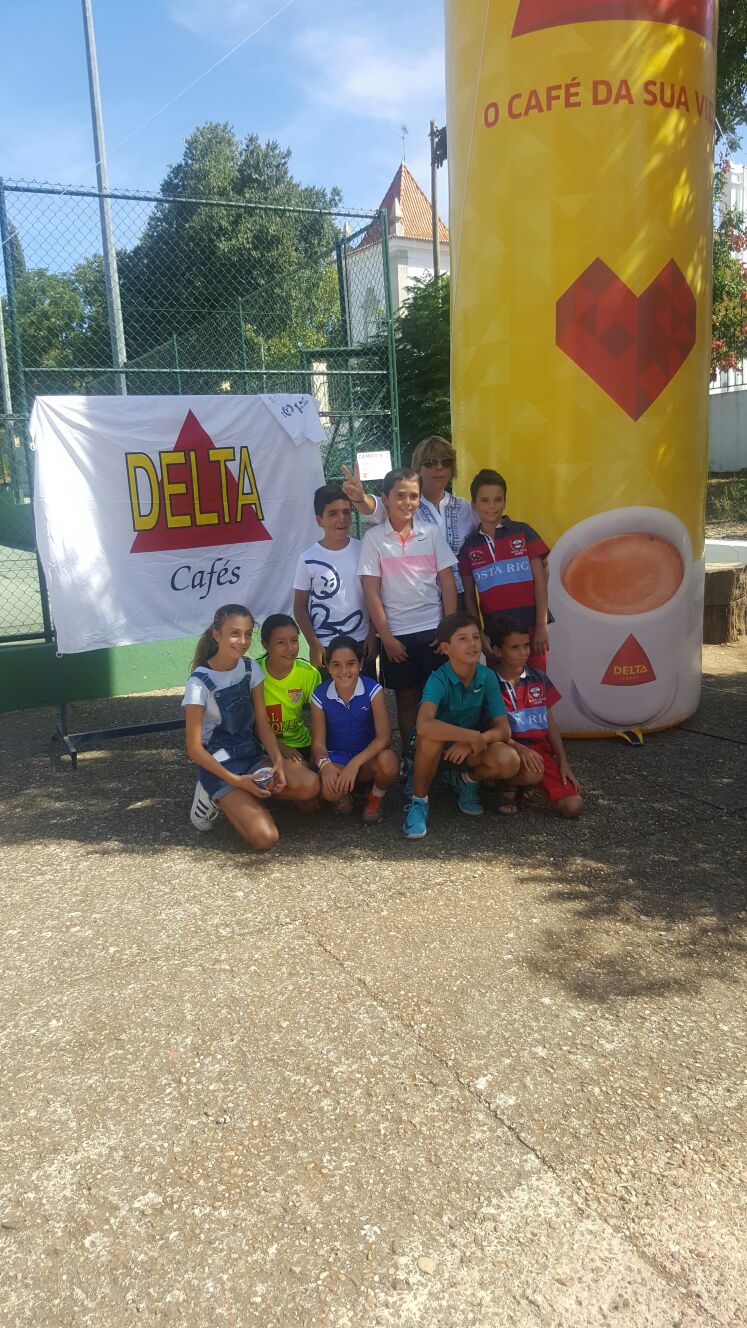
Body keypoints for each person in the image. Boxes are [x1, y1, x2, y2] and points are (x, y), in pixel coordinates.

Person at [183, 604, 319, 852]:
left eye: (247, 634)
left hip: (251, 755)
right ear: (216, 634)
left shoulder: (250, 668)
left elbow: (262, 724)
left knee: (310, 785)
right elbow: (193, 749)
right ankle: (214, 793)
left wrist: (277, 762)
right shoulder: (198, 682)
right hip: (219, 764)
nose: (243, 641)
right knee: (266, 839)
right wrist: (237, 781)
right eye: (234, 633)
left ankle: (244, 796)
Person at [358, 467, 458, 746]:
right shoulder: (374, 539)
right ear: (385, 498)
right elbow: (371, 591)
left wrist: (448, 632)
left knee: (437, 696)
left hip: (434, 632)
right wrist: (386, 637)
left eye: (413, 496)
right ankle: (410, 755)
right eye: (400, 495)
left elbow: (447, 583)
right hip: (397, 635)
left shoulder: (431, 533)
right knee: (406, 697)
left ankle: (442, 757)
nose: (407, 502)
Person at [402, 611, 521, 839]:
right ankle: (418, 802)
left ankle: (465, 780)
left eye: (475, 637)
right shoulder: (438, 678)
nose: (473, 644)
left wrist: (476, 740)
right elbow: (424, 725)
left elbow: (504, 729)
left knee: (509, 760)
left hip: (466, 749)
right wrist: (470, 736)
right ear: (446, 648)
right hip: (435, 749)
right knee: (430, 738)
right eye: (463, 638)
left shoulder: (487, 677)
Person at [341, 435, 478, 604]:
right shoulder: (405, 506)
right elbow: (373, 507)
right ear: (418, 468)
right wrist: (360, 498)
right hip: (420, 598)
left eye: (446, 462)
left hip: (461, 596)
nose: (439, 467)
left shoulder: (465, 508)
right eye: (430, 462)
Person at [487, 614, 583, 819]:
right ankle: (509, 785)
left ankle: (524, 783)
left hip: (539, 751)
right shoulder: (488, 682)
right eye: (514, 647)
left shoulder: (538, 677)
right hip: (507, 747)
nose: (523, 652)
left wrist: (563, 762)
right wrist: (520, 750)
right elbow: (491, 730)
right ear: (497, 651)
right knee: (529, 771)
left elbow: (550, 722)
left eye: (526, 645)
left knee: (573, 807)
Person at [458, 468, 551, 669]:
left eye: (497, 500)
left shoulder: (523, 532)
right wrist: (478, 633)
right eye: (485, 500)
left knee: (535, 685)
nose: (492, 506)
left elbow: (540, 581)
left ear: (505, 501)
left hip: (530, 630)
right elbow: (469, 597)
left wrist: (542, 626)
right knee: (500, 688)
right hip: (495, 637)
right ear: (474, 505)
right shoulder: (469, 546)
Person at [310, 635, 399, 822]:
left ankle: (375, 797)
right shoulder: (320, 694)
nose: (344, 671)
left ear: (360, 664)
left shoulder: (373, 690)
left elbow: (384, 738)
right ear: (327, 666)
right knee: (328, 790)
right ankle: (344, 794)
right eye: (336, 665)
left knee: (389, 761)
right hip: (337, 759)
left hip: (366, 760)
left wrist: (355, 764)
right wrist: (325, 766)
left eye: (350, 664)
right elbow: (318, 743)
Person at [292, 483, 377, 674]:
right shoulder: (307, 558)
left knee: (365, 691)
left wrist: (373, 633)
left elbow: (374, 595)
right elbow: (299, 606)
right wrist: (313, 643)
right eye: (333, 514)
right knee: (330, 693)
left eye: (346, 512)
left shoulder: (364, 549)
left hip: (362, 641)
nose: (342, 519)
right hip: (326, 645)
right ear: (319, 520)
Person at [259, 612, 321, 768]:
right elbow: (250, 723)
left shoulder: (309, 673)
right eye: (280, 642)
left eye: (294, 640)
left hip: (301, 744)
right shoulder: (254, 672)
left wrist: (318, 752)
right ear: (265, 645)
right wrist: (279, 746)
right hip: (261, 746)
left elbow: (320, 719)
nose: (290, 648)